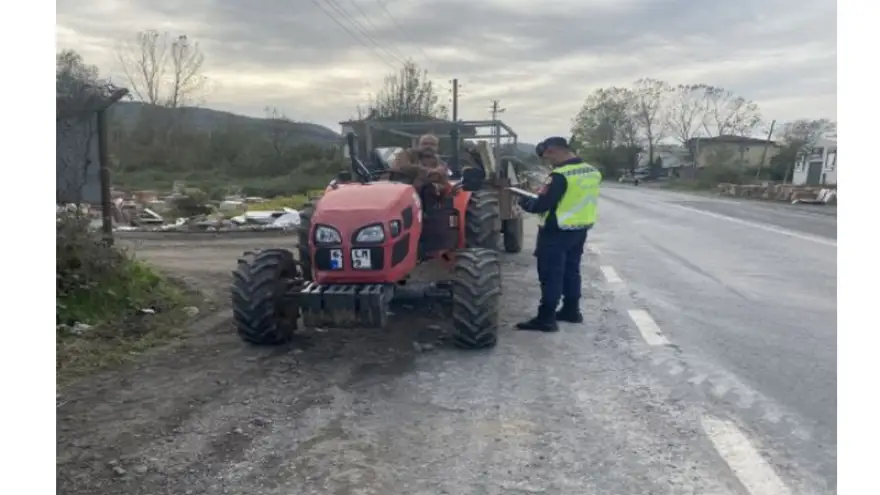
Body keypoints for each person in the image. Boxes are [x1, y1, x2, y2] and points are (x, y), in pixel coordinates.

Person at [515, 136, 602, 332]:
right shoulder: (592, 171)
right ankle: (571, 311)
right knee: (571, 271)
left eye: (548, 157)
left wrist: (522, 201)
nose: (548, 162)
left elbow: (540, 205)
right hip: (580, 229)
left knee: (550, 274)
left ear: (554, 151)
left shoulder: (560, 175)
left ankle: (546, 319)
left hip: (556, 231)